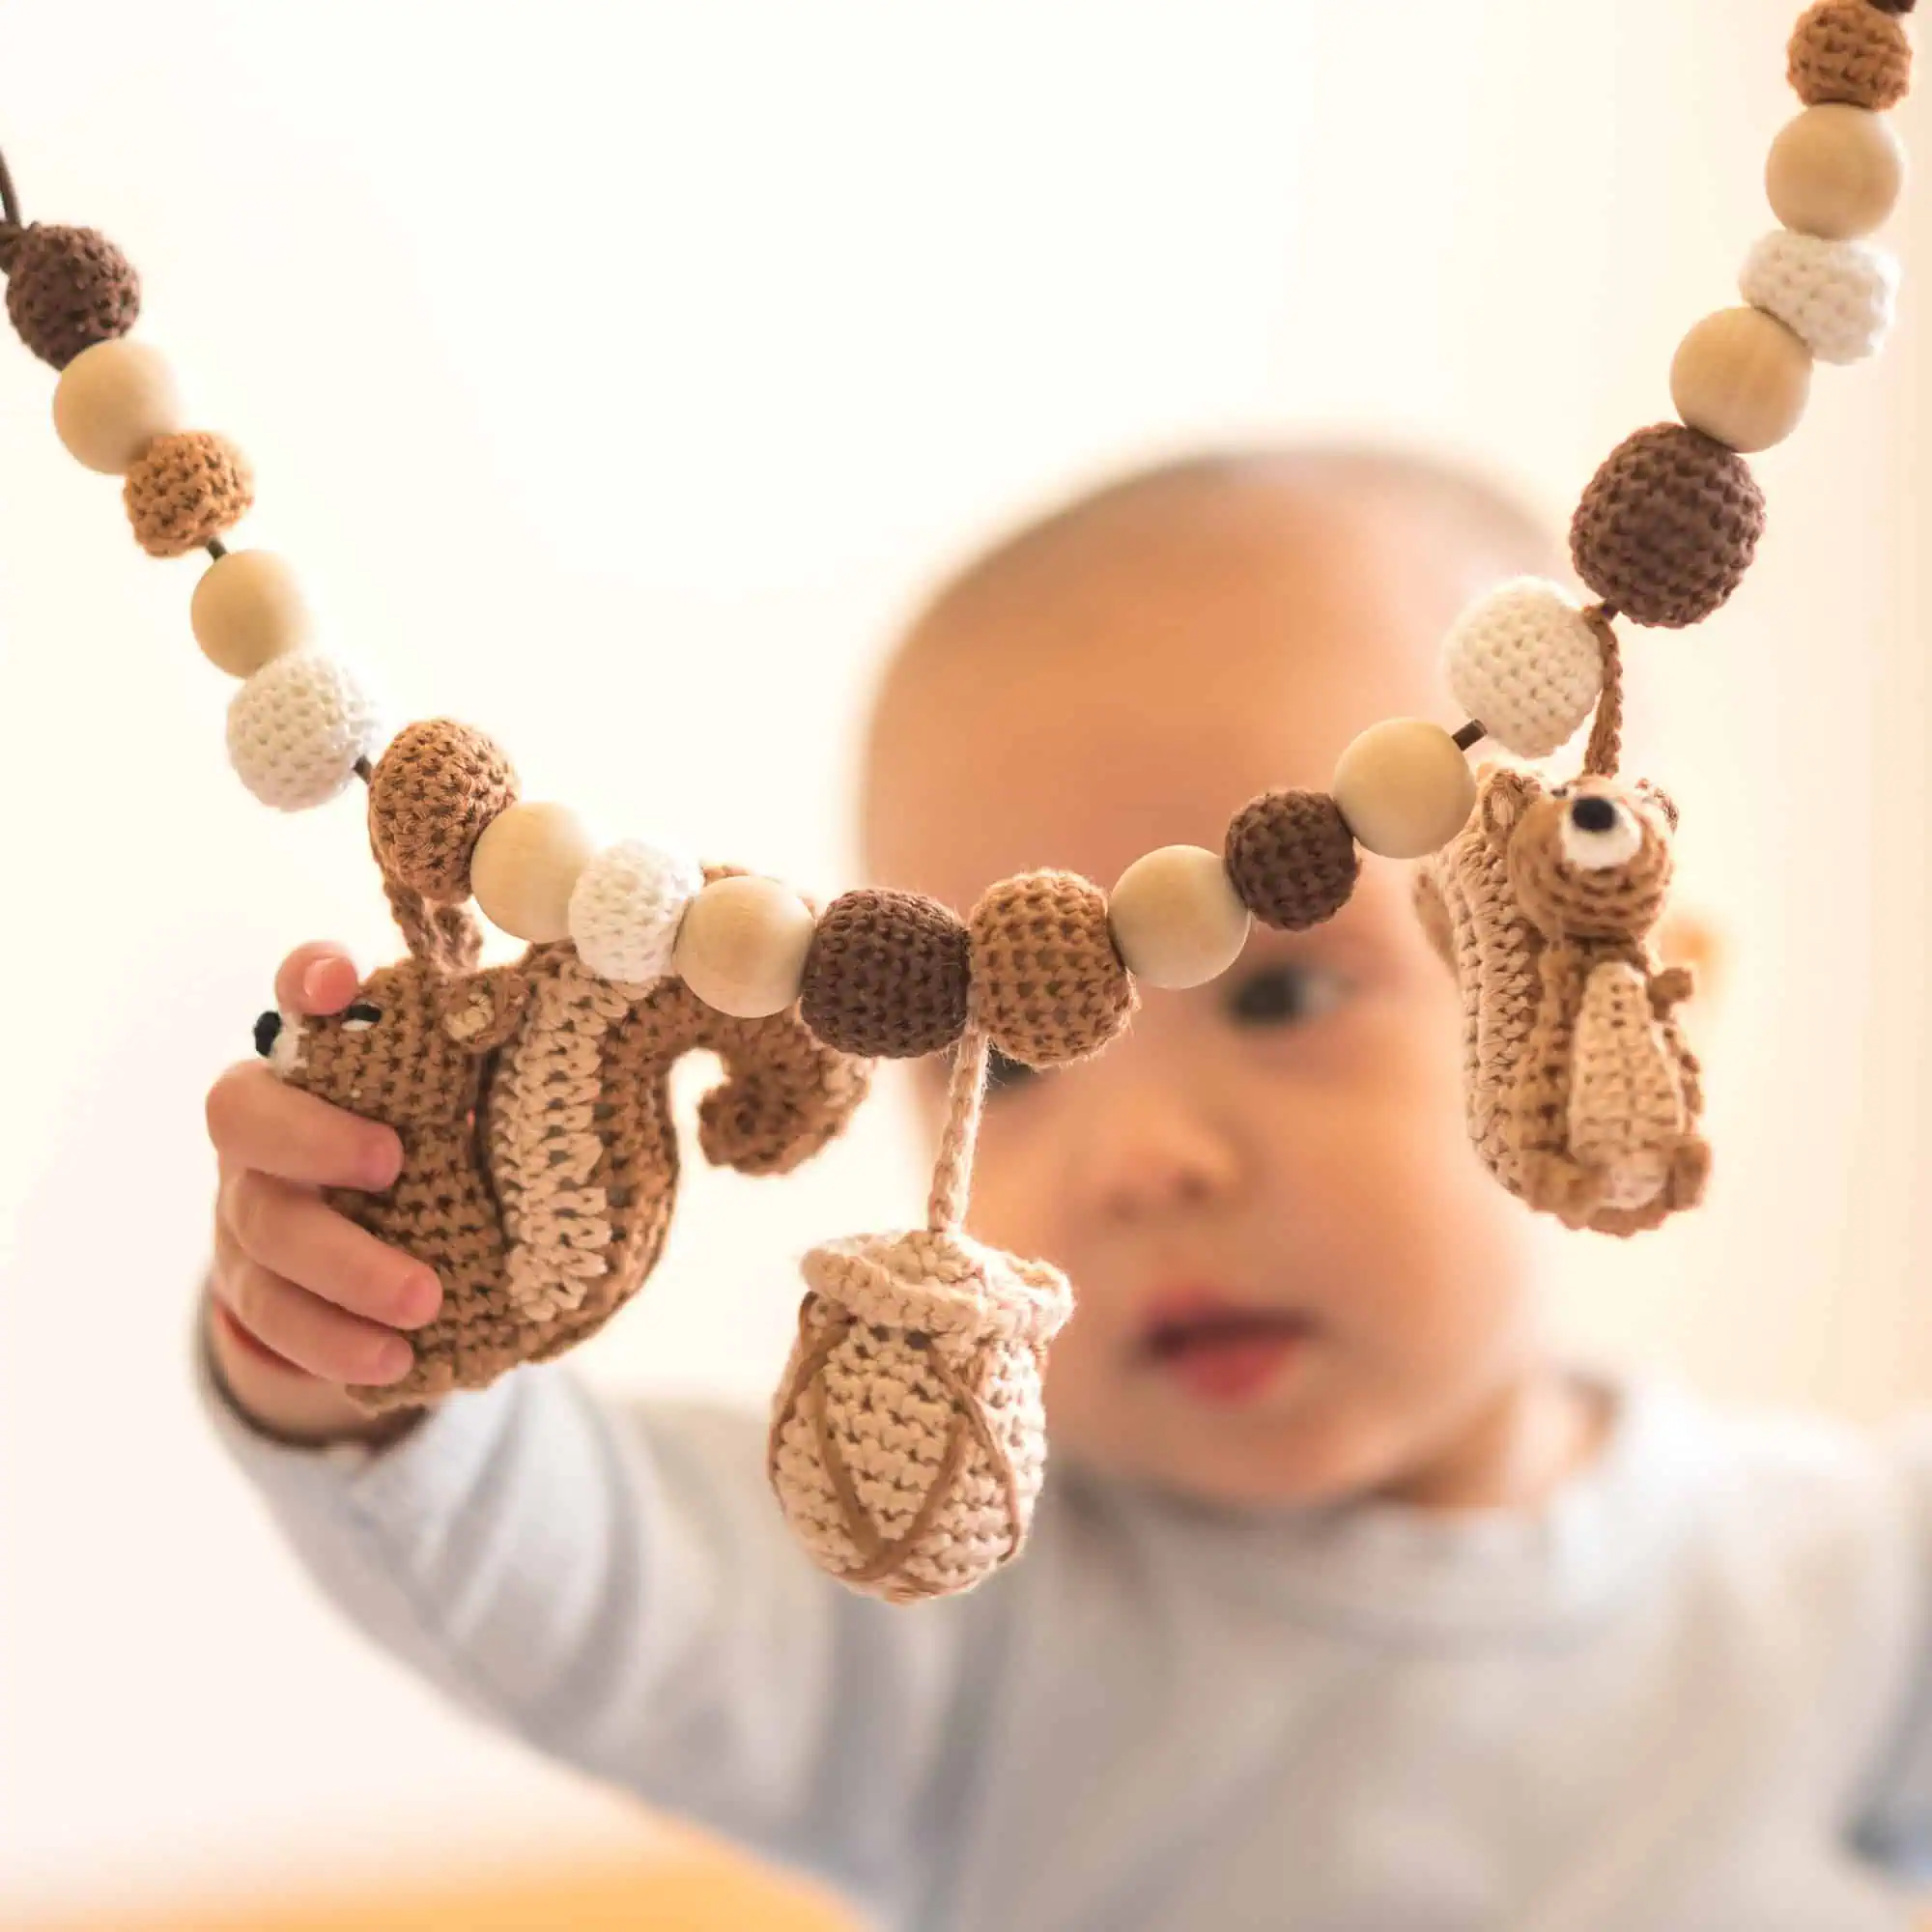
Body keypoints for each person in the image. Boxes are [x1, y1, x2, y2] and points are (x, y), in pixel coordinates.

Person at [198, 447, 1932, 1929]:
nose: (1138, 1159)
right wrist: (368, 1362)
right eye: (1007, 1066)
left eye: (1280, 993)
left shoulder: (1847, 1592)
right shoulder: (944, 1620)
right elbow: (608, 1583)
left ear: (1599, 1000)